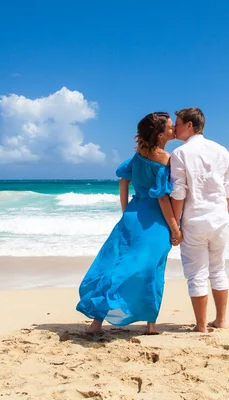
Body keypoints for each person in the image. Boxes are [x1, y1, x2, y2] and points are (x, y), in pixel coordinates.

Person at [76, 112, 182, 335]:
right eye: (171, 127)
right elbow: (163, 198)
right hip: (154, 221)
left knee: (115, 264)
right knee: (152, 270)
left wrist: (126, 210)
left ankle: (97, 323)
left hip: (133, 214)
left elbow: (124, 181)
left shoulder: (140, 153)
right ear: (160, 133)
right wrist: (175, 228)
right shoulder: (165, 158)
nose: (174, 130)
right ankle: (151, 326)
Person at [170, 107, 229, 333]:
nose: (174, 128)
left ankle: (201, 326)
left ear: (189, 125)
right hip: (219, 219)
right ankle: (222, 320)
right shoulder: (222, 150)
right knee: (218, 269)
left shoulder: (180, 153)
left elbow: (179, 193)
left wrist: (175, 225)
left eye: (177, 123)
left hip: (195, 219)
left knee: (196, 273)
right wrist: (223, 215)